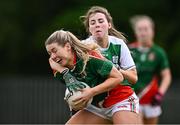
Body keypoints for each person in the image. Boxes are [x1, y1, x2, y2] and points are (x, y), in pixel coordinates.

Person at [45, 30, 139, 124]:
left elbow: (118, 77)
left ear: (68, 46)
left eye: (54, 51)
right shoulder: (58, 68)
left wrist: (91, 92)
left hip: (120, 99)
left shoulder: (90, 57)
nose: (52, 56)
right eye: (49, 53)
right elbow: (77, 92)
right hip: (96, 107)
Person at [129, 15, 172, 124]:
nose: (143, 32)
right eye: (139, 29)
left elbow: (166, 75)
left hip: (150, 100)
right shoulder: (129, 50)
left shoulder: (158, 52)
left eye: (146, 29)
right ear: (135, 32)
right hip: (132, 99)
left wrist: (160, 94)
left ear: (152, 30)